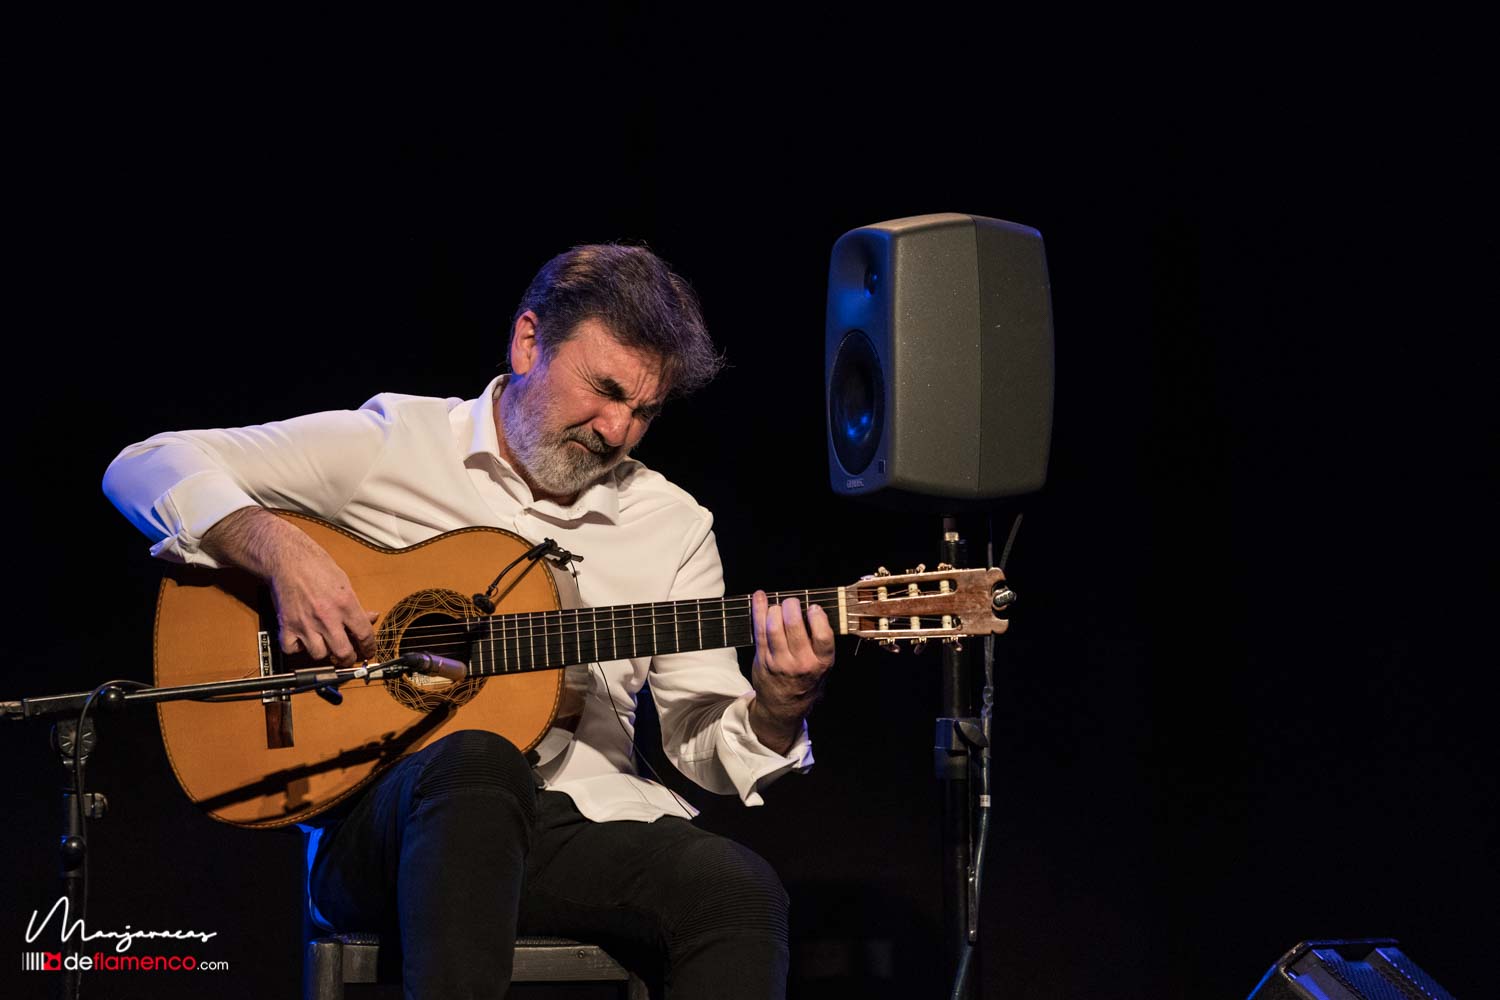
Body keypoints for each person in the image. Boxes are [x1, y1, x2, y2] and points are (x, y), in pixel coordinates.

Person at [102, 244, 836, 999]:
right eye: (604, 389)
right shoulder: (394, 446)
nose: (617, 430)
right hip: (388, 826)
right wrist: (282, 552)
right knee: (477, 759)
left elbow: (701, 742)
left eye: (644, 411)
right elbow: (146, 462)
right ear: (528, 343)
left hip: (574, 830)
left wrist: (779, 707)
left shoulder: (673, 523)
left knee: (737, 887)